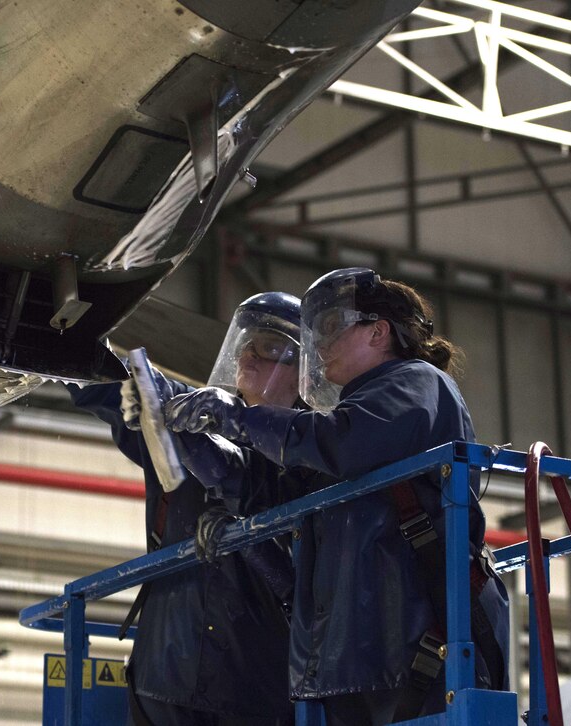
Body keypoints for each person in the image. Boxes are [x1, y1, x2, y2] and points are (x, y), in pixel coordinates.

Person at [165, 268, 510, 726]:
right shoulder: (350, 419)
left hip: (412, 649)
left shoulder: (416, 382)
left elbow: (344, 443)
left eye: (332, 327)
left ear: (378, 332)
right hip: (348, 660)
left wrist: (238, 419)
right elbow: (272, 495)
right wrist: (188, 437)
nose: (319, 345)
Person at [69, 292, 302, 726]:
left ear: (305, 373)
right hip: (164, 675)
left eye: (270, 349)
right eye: (246, 344)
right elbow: (102, 385)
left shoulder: (314, 456)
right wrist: (61, 337)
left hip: (255, 687)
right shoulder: (190, 416)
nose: (249, 357)